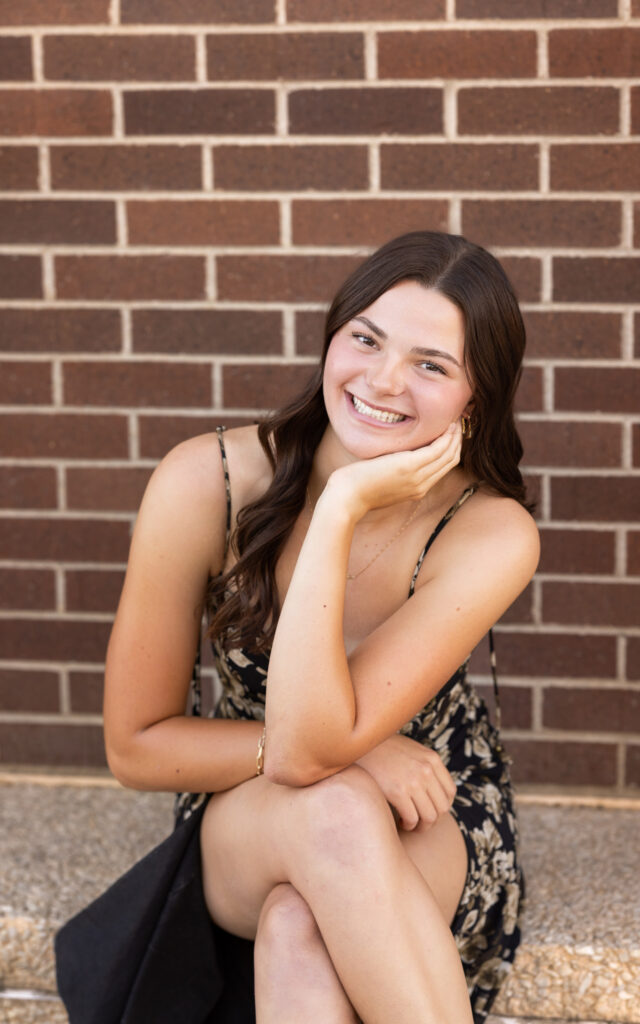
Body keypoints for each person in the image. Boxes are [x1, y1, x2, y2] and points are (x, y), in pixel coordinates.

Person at [102, 231, 539, 1024]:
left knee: (298, 927)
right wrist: (339, 508)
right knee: (332, 809)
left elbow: (321, 752)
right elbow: (136, 746)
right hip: (252, 798)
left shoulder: (490, 533)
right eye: (365, 339)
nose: (382, 379)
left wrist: (340, 508)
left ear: (476, 398)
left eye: (430, 365)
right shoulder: (209, 482)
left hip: (430, 799)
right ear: (331, 336)